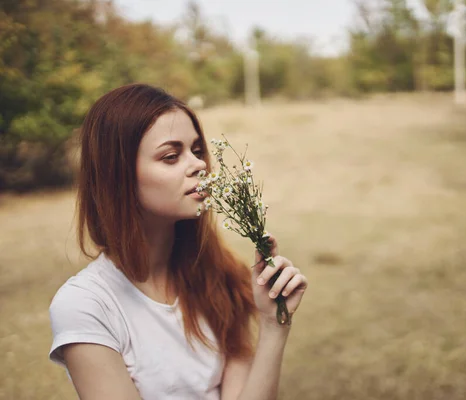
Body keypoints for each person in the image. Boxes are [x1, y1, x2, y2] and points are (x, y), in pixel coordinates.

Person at [48, 83, 308, 400]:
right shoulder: (86, 306)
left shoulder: (220, 276)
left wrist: (273, 323)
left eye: (197, 151)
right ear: (118, 176)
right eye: (171, 156)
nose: (199, 165)